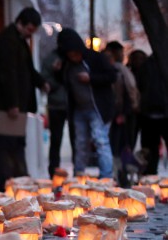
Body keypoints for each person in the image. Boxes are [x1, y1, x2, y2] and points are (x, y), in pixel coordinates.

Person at [0, 7, 49, 190]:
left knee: (18, 144)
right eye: (29, 30)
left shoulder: (19, 41)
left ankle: (20, 184)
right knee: (6, 146)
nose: (30, 35)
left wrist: (41, 82)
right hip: (7, 106)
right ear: (22, 23)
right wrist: (12, 103)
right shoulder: (7, 40)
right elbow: (7, 74)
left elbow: (26, 69)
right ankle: (8, 185)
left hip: (17, 105)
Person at [56, 28, 116, 179]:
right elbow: (63, 83)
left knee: (101, 141)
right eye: (70, 55)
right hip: (79, 109)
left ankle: (106, 177)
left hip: (98, 108)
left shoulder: (95, 58)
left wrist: (91, 78)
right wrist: (57, 71)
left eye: (75, 54)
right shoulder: (66, 65)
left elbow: (112, 75)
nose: (74, 57)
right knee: (80, 144)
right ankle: (79, 176)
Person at [104, 40, 140, 186]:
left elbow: (127, 91)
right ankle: (123, 178)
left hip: (122, 114)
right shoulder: (121, 69)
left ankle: (122, 178)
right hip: (124, 113)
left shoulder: (118, 69)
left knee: (120, 147)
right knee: (122, 146)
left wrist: (122, 112)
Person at [41, 47, 75, 178]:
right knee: (55, 140)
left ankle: (77, 173)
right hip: (56, 104)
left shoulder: (73, 58)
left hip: (72, 104)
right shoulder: (52, 58)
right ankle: (54, 173)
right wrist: (58, 74)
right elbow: (45, 81)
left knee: (76, 140)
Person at [137, 54, 168, 175]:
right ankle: (150, 178)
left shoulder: (145, 65)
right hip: (153, 113)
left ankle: (150, 178)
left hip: (150, 113)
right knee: (150, 150)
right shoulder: (146, 65)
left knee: (150, 151)